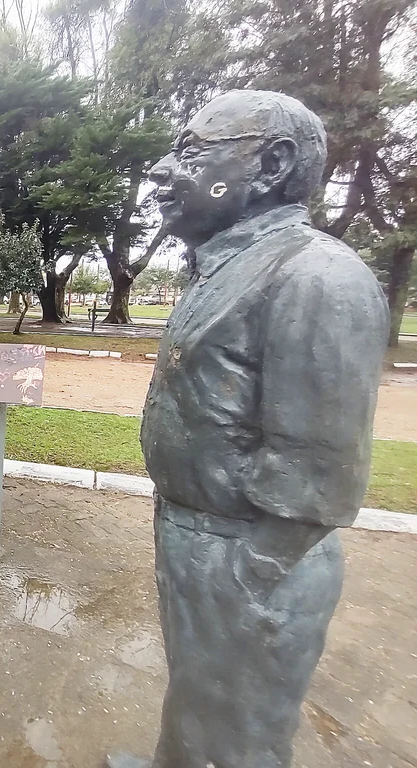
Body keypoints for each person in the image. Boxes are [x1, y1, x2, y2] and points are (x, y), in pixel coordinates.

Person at [106, 91, 389, 768]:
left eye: (193, 152)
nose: (163, 171)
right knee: (199, 695)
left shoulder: (318, 277)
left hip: (253, 551)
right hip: (196, 530)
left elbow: (319, 473)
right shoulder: (227, 265)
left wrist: (251, 570)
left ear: (271, 164)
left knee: (239, 730)